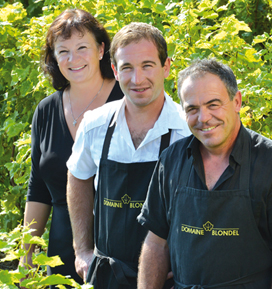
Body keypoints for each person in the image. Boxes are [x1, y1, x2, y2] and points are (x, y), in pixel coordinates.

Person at [137, 59, 272, 289]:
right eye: (192, 109)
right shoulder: (171, 160)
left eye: (213, 104)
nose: (203, 118)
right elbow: (156, 242)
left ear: (237, 101)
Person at [66, 22, 190, 289]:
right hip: (106, 275)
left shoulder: (188, 130)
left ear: (166, 67)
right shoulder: (94, 125)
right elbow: (78, 177)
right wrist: (82, 251)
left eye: (147, 65)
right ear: (114, 70)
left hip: (169, 279)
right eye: (127, 68)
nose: (137, 79)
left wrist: (187, 262)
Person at [21, 9, 123, 286]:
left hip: (124, 251)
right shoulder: (46, 110)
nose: (73, 58)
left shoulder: (128, 101)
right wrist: (27, 255)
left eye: (82, 47)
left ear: (101, 50)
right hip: (62, 251)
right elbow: (38, 188)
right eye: (63, 51)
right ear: (54, 58)